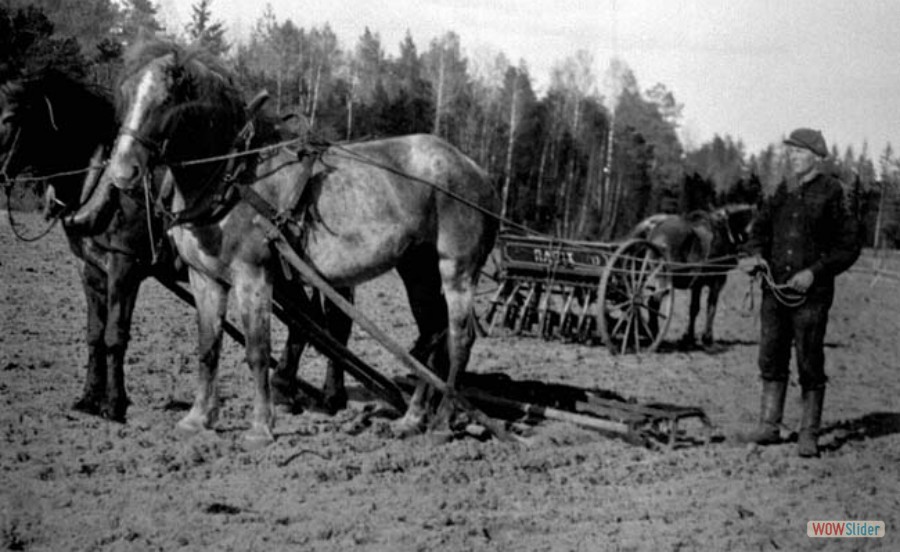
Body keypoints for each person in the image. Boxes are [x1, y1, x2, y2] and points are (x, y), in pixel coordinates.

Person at [741, 128, 861, 457]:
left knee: (808, 358)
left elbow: (849, 246)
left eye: (797, 153)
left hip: (812, 294)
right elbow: (760, 229)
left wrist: (814, 272)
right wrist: (755, 254)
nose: (791, 158)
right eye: (790, 153)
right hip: (774, 291)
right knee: (770, 355)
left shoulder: (834, 192)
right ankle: (769, 425)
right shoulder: (783, 190)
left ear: (816, 157)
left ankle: (809, 432)